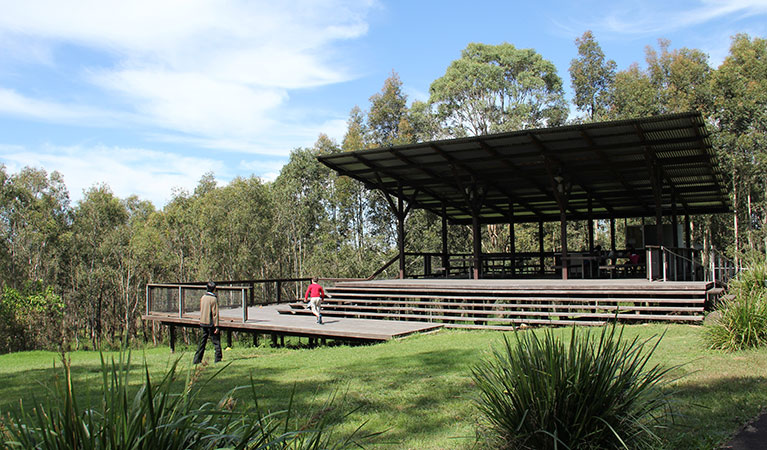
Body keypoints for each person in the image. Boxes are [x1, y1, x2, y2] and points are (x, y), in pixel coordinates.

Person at [193, 281, 222, 364]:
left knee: (202, 342)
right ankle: (218, 358)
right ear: (214, 289)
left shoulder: (203, 297)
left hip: (203, 322)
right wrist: (217, 326)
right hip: (211, 323)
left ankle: (197, 359)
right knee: (216, 341)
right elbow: (215, 313)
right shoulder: (213, 299)